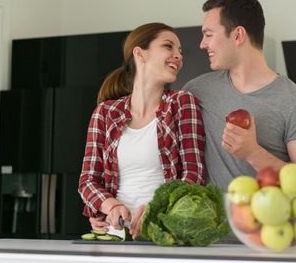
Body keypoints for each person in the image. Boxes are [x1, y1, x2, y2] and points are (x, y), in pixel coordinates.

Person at [183, 0, 296, 192]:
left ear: (238, 35)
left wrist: (252, 153)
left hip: (268, 223)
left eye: (208, 35)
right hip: (207, 224)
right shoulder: (195, 92)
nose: (202, 44)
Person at [78, 23, 205, 239]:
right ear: (140, 53)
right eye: (168, 46)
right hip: (116, 235)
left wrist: (158, 206)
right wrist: (110, 206)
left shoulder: (181, 103)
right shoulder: (105, 113)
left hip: (166, 233)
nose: (178, 56)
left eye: (180, 52)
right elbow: (88, 181)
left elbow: (194, 174)